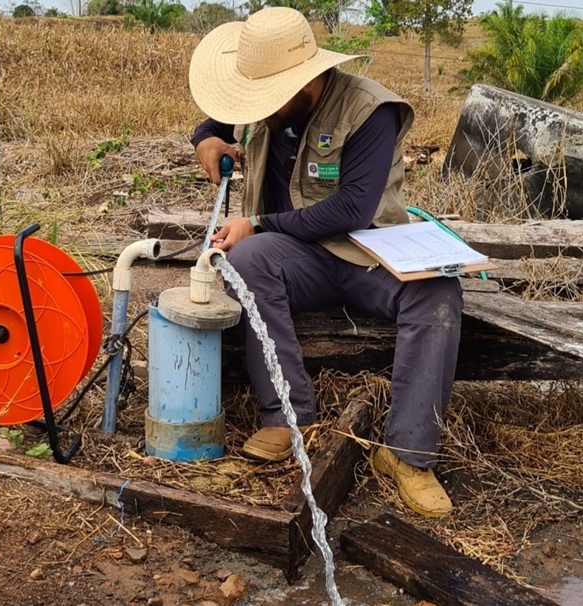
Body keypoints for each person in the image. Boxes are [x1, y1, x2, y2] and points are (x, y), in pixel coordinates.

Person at [188, 7, 463, 518]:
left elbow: (352, 208)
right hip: (298, 258)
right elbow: (216, 118)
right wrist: (206, 137)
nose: (260, 111)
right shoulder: (264, 101)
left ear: (308, 81)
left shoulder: (369, 110)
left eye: (270, 101)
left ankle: (407, 455)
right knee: (246, 259)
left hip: (366, 252)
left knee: (439, 292)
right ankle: (287, 418)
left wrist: (261, 223)